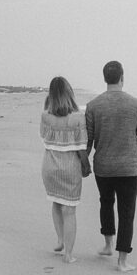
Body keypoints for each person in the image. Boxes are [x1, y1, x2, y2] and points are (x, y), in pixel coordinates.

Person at [85, 61, 137, 272]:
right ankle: (122, 261)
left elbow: (88, 139)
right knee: (126, 211)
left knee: (105, 202)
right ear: (122, 77)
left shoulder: (93, 105)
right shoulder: (135, 104)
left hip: (103, 166)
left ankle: (107, 245)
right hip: (129, 168)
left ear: (105, 78)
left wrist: (84, 160)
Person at [40, 76, 91, 263]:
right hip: (70, 167)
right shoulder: (78, 117)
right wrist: (86, 165)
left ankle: (60, 240)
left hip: (50, 165)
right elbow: (81, 146)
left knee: (56, 203)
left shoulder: (45, 116)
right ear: (69, 92)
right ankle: (68, 254)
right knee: (69, 210)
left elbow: (44, 138)